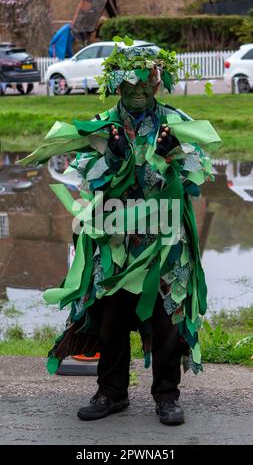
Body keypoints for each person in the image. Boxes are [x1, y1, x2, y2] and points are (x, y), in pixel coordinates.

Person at [18, 40, 221, 425]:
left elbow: (199, 177)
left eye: (147, 82)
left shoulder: (176, 123)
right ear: (116, 86)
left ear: (159, 82)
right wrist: (110, 157)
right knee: (110, 320)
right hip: (114, 239)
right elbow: (84, 183)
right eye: (131, 84)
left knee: (166, 319)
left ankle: (166, 396)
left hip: (164, 241)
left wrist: (174, 155)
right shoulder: (102, 125)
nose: (140, 90)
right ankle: (111, 393)